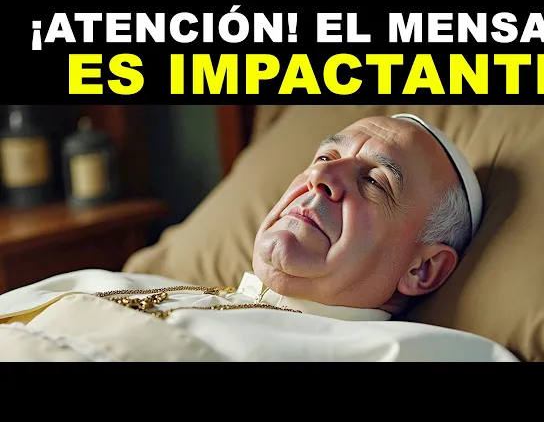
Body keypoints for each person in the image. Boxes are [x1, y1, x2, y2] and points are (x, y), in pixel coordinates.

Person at [0, 114, 514, 362]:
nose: (321, 178)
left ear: (422, 269)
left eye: (376, 182)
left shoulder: (419, 354)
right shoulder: (117, 281)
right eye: (325, 157)